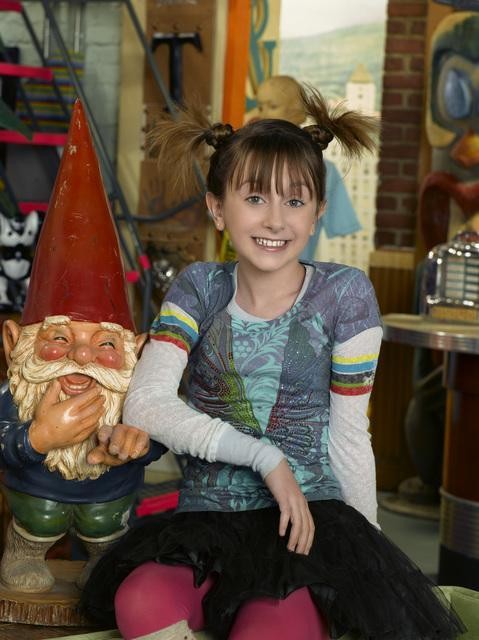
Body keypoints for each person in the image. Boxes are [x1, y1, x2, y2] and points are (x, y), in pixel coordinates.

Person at [80, 86, 464, 640]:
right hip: (206, 517)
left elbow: (349, 436)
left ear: (319, 212)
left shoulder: (345, 295)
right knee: (140, 601)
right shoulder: (198, 288)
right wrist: (264, 458)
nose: (277, 220)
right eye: (256, 198)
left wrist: (369, 563)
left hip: (308, 522)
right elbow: (146, 403)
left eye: (296, 201)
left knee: (267, 630)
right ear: (218, 208)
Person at [0, 99, 164, 593]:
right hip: (34, 499)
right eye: (59, 338)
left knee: (106, 528)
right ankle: (24, 548)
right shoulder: (15, 397)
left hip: (110, 503)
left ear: (138, 352)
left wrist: (141, 442)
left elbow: (162, 435)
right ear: (15, 343)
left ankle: (105, 560)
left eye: (105, 344)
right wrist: (36, 438)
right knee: (39, 516)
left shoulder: (136, 399)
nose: (84, 357)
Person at [251, 75, 361, 261]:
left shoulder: (323, 171)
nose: (264, 114)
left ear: (295, 109)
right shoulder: (246, 164)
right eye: (261, 107)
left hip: (297, 271)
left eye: (273, 106)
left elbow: (340, 223)